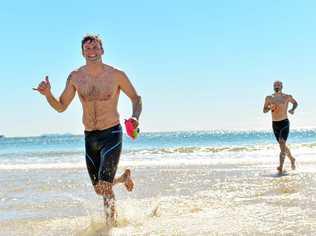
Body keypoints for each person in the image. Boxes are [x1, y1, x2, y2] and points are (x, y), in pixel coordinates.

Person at [33, 34, 142, 226]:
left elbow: (136, 98)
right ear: (82, 52)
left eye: (95, 48)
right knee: (99, 188)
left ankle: (111, 228)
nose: (91, 52)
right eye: (87, 49)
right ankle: (124, 178)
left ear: (102, 50)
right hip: (90, 136)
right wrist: (48, 94)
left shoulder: (116, 75)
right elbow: (61, 106)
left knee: (106, 187)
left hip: (112, 134)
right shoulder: (76, 77)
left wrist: (135, 117)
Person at [263, 81, 298, 174]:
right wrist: (269, 107)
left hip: (284, 123)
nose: (276, 87)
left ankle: (281, 167)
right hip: (275, 124)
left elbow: (295, 103)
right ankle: (292, 159)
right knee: (282, 146)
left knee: (282, 143)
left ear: (282, 86)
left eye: (278, 85)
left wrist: (292, 109)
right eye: (275, 86)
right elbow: (264, 110)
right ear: (273, 87)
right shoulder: (269, 98)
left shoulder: (287, 97)